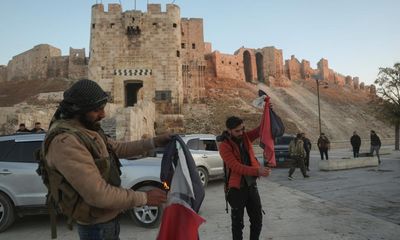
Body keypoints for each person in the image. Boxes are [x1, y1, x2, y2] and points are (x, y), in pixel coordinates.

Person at [42, 79, 169, 240]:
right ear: (78, 110)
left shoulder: (86, 129)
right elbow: (98, 194)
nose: (103, 115)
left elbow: (118, 148)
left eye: (103, 108)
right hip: (96, 228)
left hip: (107, 221)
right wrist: (144, 198)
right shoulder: (66, 142)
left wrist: (155, 142)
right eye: (97, 110)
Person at [218, 116, 271, 240]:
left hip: (251, 186)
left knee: (257, 220)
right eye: (237, 131)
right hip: (236, 189)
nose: (241, 133)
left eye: (242, 129)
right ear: (229, 130)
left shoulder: (245, 137)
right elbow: (237, 167)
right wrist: (257, 170)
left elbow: (261, 129)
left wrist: (268, 110)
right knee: (238, 224)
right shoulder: (224, 146)